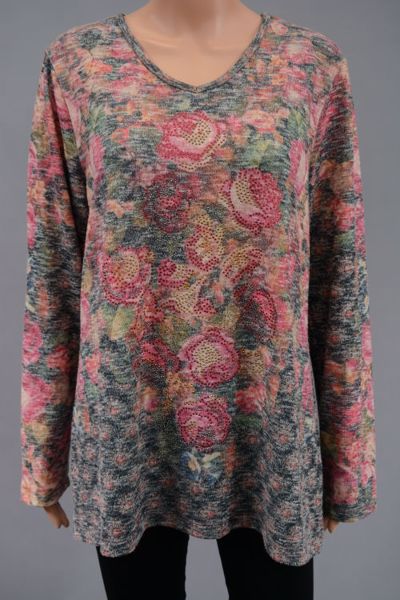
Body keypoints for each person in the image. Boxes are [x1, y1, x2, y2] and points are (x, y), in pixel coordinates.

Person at [19, 1, 377, 599]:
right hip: (130, 417)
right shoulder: (78, 63)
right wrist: (43, 453)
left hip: (267, 421)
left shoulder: (311, 65)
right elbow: (53, 267)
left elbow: (339, 267)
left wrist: (346, 462)